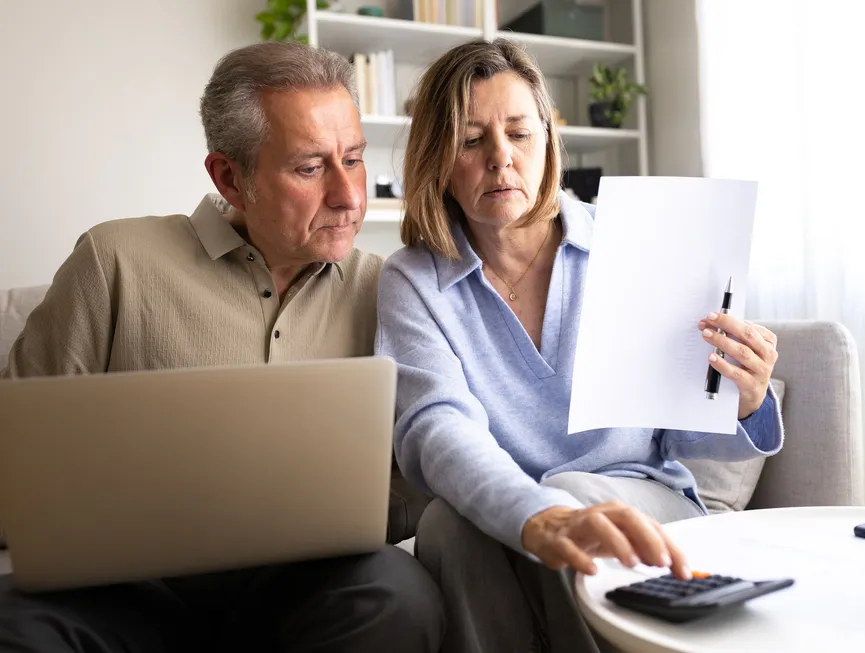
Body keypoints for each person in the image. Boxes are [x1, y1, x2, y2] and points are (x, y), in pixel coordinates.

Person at [0, 42, 444, 653]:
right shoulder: (114, 262)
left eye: (354, 159)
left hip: (308, 587)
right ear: (229, 178)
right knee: (15, 621)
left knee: (398, 593)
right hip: (129, 590)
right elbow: (18, 454)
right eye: (311, 168)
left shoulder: (387, 289)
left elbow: (420, 471)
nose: (348, 195)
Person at [375, 38, 784, 653]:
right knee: (446, 526)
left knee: (574, 496)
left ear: (547, 139)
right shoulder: (413, 279)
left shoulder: (633, 243)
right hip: (508, 509)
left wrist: (744, 399)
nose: (500, 158)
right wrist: (535, 513)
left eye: (518, 132)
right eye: (470, 140)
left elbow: (687, 431)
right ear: (437, 158)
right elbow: (436, 428)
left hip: (642, 497)